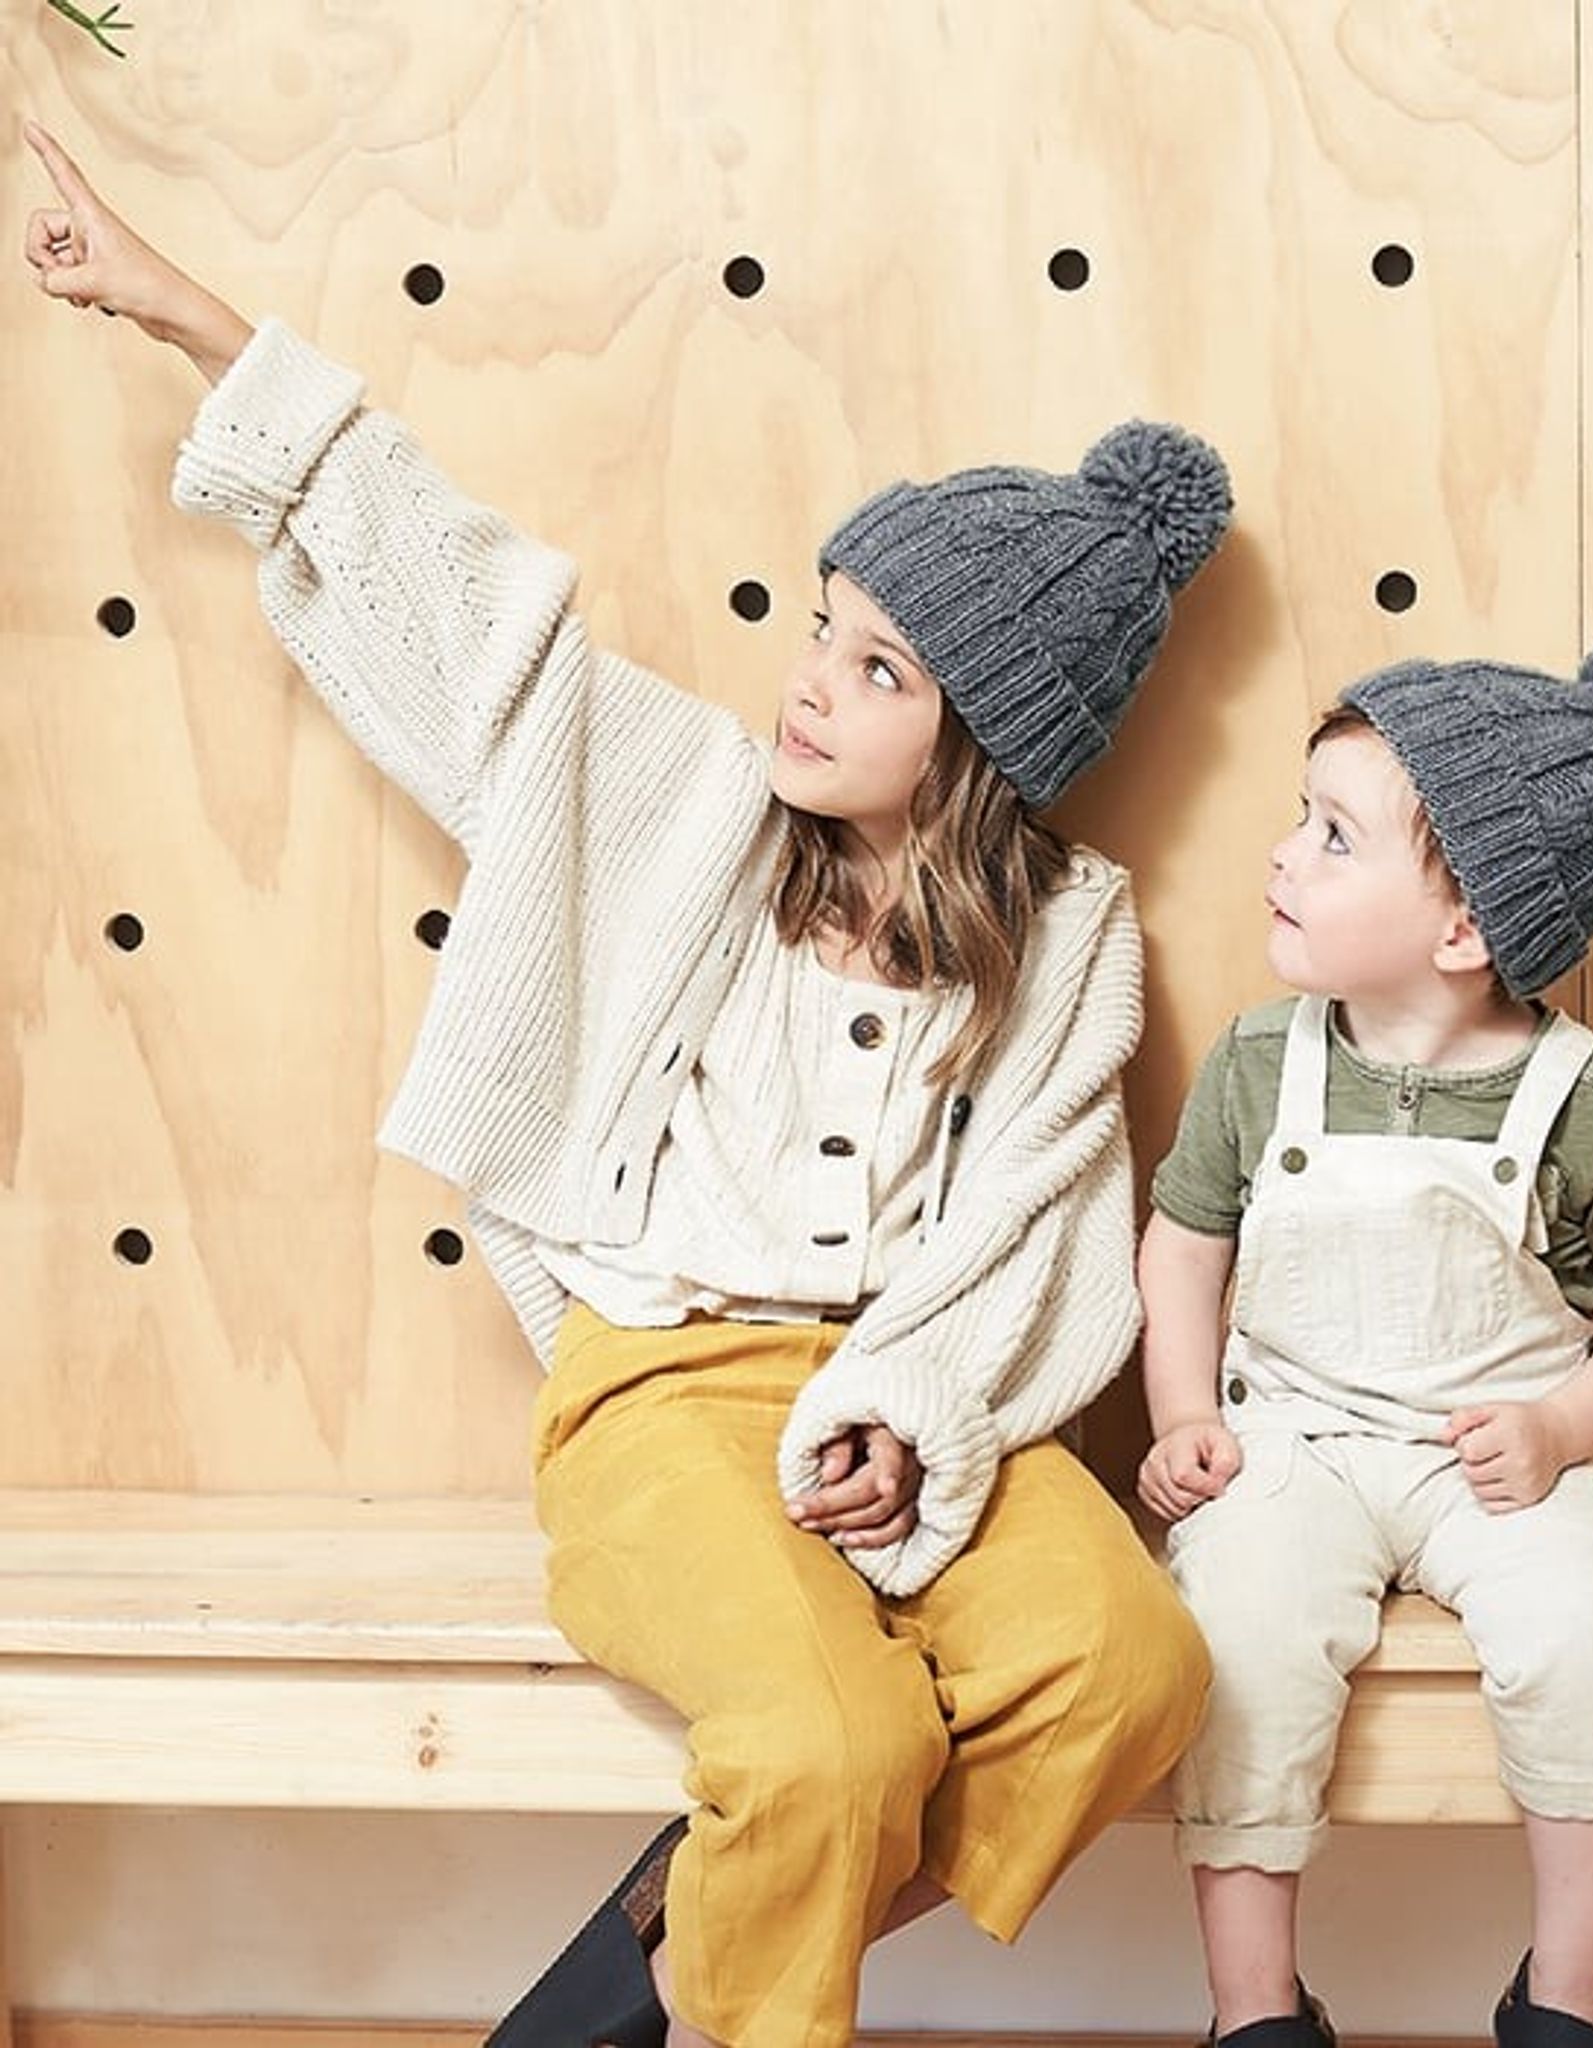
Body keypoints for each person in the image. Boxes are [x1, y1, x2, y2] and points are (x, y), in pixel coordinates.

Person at [25, 121, 1232, 2048]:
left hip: (916, 1391)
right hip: (661, 1390)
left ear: (989, 743)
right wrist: (177, 308)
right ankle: (733, 1970)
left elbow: (1039, 1231)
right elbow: (458, 597)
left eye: (882, 668)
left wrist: (916, 1416)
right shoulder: (681, 796)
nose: (811, 679)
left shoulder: (1070, 933)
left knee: (1138, 1668)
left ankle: (655, 1969)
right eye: (824, 626)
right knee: (827, 1752)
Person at [1136, 634, 1593, 2048]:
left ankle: (1567, 2001)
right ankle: (1254, 2011)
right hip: (1293, 1444)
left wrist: (1566, 1426)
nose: (1284, 853)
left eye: (1333, 835)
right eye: (1300, 816)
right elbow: (1182, 1242)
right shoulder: (1260, 1063)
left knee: (1591, 1641)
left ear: (1465, 930)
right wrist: (1184, 1416)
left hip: (1503, 1458)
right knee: (1238, 1644)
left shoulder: (1588, 1101)